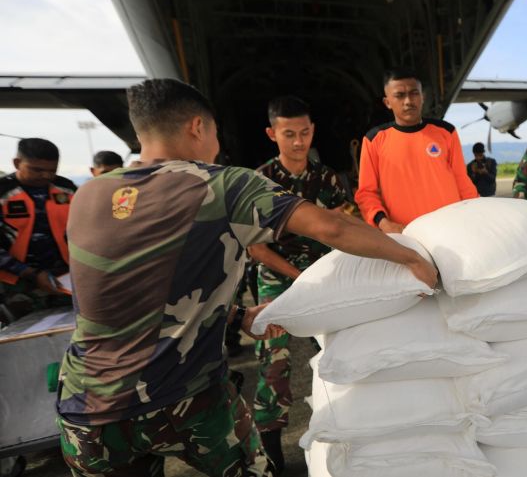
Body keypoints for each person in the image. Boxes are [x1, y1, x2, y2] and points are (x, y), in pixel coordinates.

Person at [55, 78, 438, 477]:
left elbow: (129, 286)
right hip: (184, 401)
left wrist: (238, 317)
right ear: (197, 127)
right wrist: (409, 258)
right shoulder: (224, 183)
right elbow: (332, 228)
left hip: (89, 409)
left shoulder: (88, 197)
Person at [246, 95, 349, 471]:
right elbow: (256, 248)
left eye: (304, 133)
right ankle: (273, 452)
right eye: (288, 134)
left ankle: (349, 427)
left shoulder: (327, 178)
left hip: (323, 277)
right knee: (275, 364)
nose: (298, 142)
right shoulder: (259, 181)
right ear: (272, 133)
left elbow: (341, 229)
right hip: (278, 279)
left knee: (341, 350)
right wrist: (299, 277)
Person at [356, 69, 478, 232]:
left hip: (451, 228)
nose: (408, 101)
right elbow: (366, 193)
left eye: (414, 93)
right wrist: (384, 224)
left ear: (422, 97)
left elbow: (462, 180)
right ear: (387, 102)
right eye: (399, 95)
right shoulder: (374, 140)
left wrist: (477, 212)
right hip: (406, 233)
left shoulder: (446, 132)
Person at [0, 138, 74, 326]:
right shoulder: (3, 192)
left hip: (66, 281)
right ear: (17, 163)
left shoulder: (67, 189)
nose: (46, 176)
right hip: (17, 285)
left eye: (52, 170)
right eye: (37, 169)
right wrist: (30, 274)